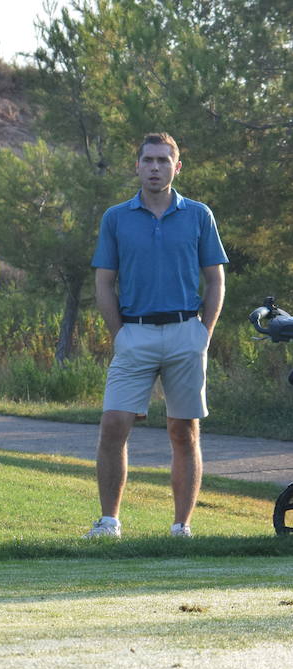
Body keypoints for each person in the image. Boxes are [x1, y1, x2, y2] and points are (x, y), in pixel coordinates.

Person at [87, 132, 226, 539]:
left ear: (176, 167)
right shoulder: (116, 217)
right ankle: (109, 523)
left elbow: (215, 280)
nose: (155, 167)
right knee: (114, 425)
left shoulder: (199, 215)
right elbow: (104, 284)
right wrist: (120, 336)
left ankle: (182, 527)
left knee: (184, 431)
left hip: (187, 332)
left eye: (164, 161)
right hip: (136, 334)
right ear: (137, 165)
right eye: (148, 160)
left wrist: (205, 332)